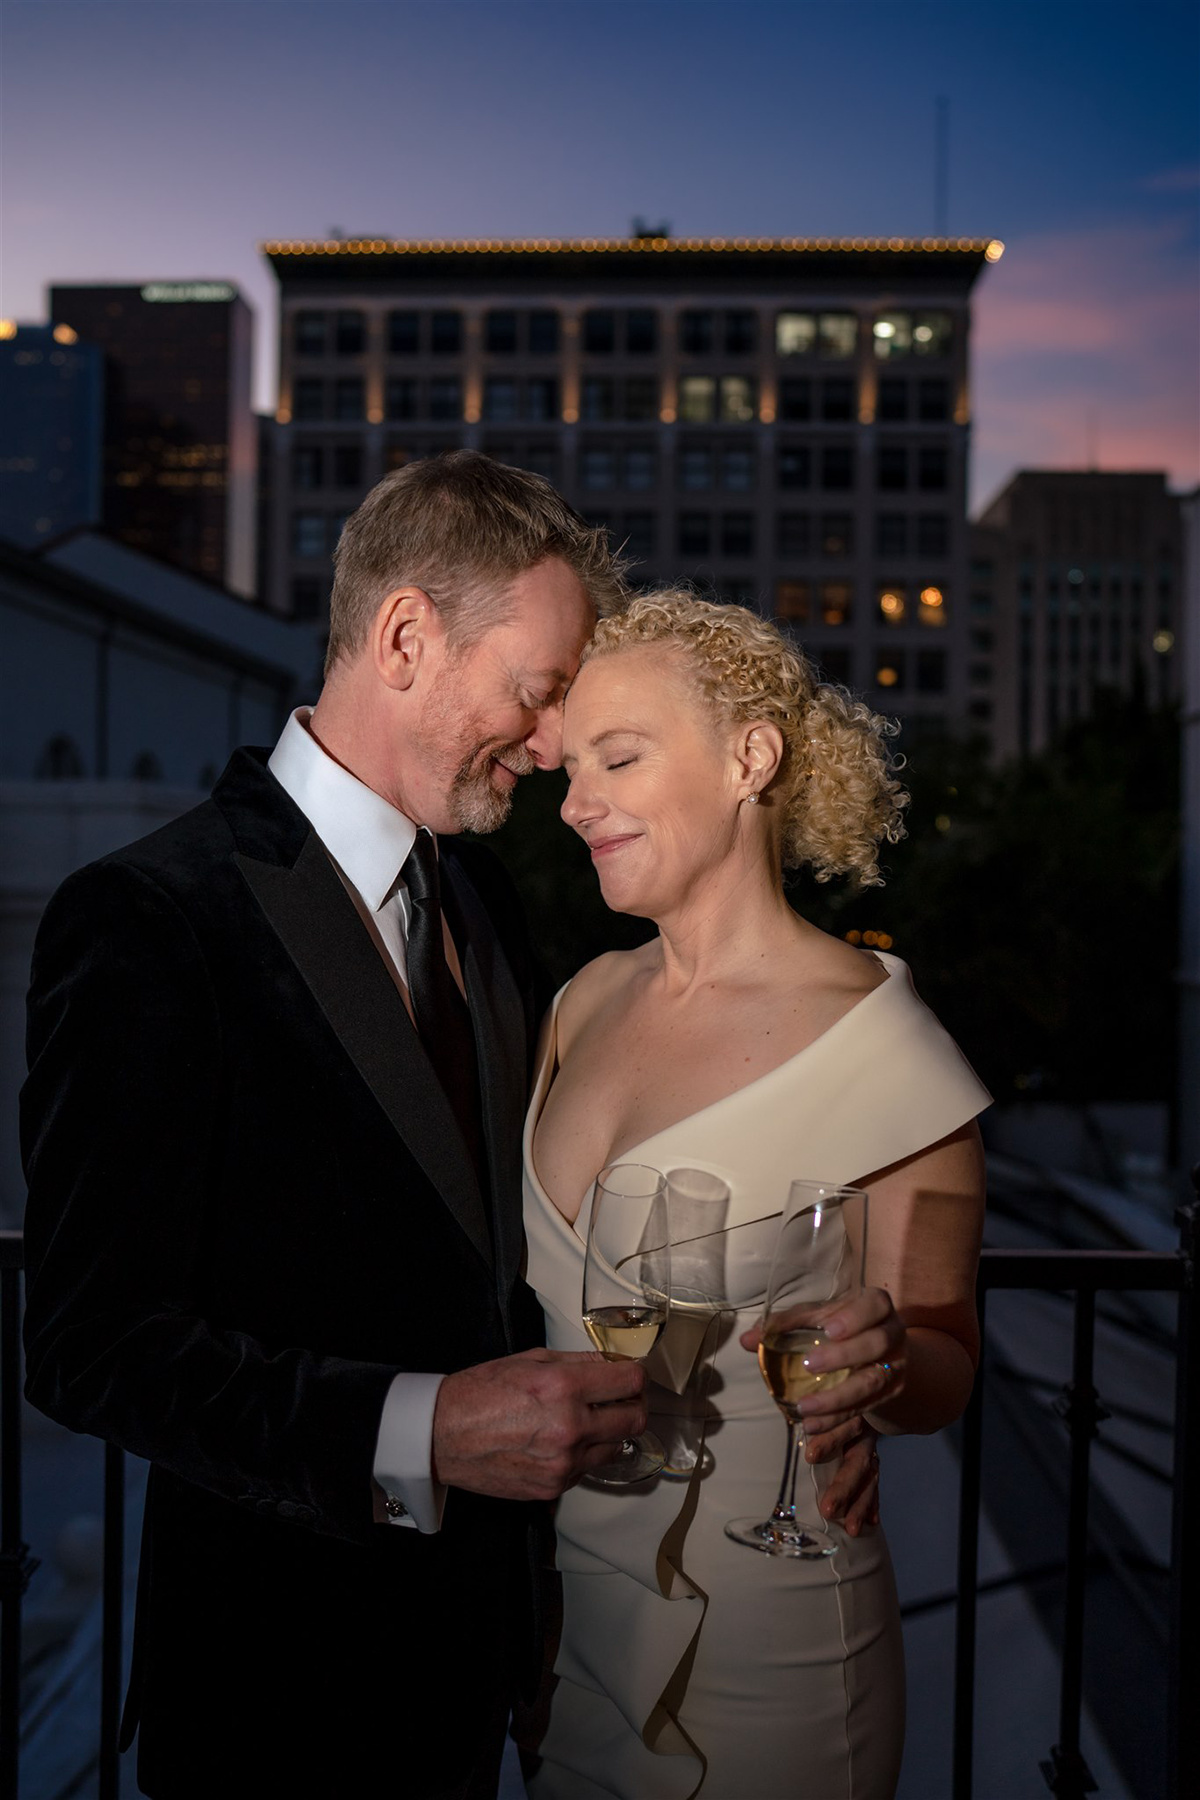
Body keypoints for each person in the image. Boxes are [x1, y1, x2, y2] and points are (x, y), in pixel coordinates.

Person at [20, 451, 652, 1800]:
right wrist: (419, 1429)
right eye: (535, 693)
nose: (549, 746)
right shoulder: (147, 919)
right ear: (408, 637)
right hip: (269, 1696)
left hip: (474, 1672)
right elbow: (89, 1348)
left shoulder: (485, 902)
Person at [523, 591, 990, 1800]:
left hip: (772, 1642)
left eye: (617, 759)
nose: (574, 803)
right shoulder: (577, 1006)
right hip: (564, 1623)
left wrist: (886, 1366)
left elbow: (944, 1357)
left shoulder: (888, 1053)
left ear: (751, 757)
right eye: (571, 770)